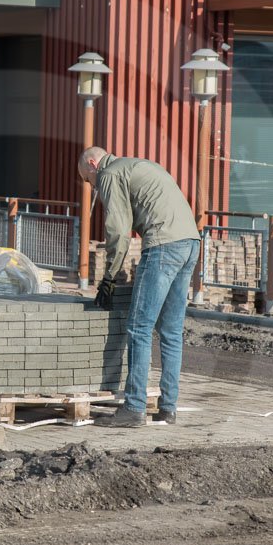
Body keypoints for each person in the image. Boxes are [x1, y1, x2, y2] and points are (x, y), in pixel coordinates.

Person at [78, 146, 201, 428]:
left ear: (93, 164)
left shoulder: (109, 174)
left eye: (87, 179)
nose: (91, 185)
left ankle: (134, 408)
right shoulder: (137, 166)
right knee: (170, 332)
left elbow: (119, 231)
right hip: (191, 243)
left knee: (139, 327)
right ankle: (168, 408)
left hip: (164, 246)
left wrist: (109, 277)